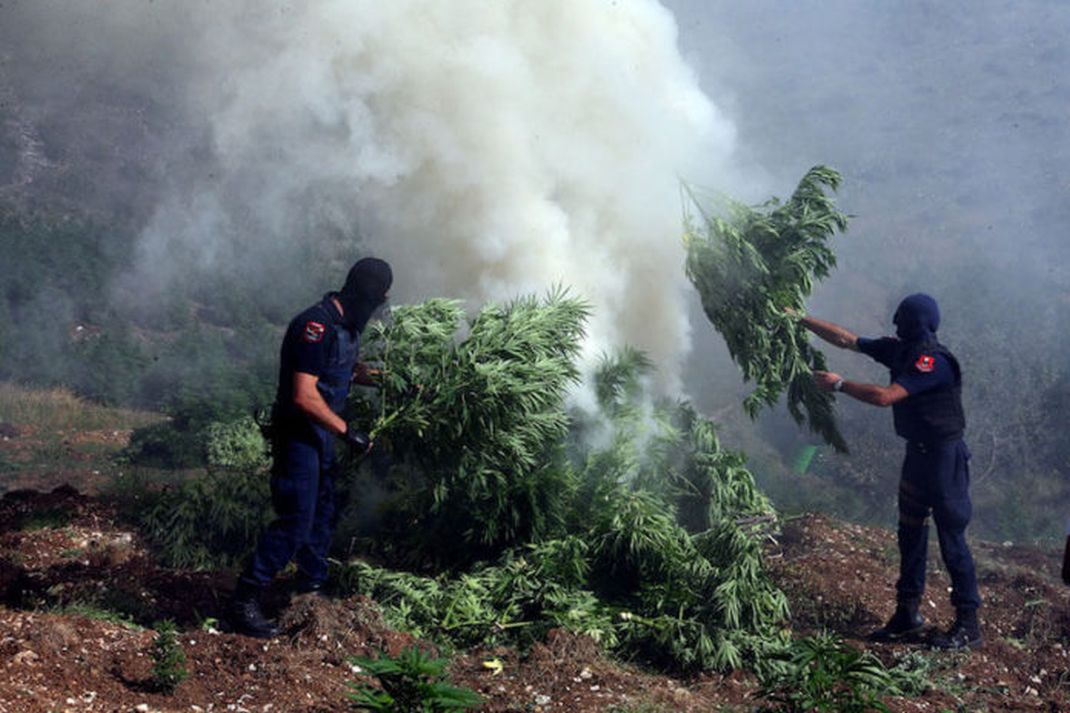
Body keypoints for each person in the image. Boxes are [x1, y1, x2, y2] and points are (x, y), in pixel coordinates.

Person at [797, 293, 982, 650]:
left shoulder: (933, 361)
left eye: (901, 319)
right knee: (910, 533)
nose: (895, 324)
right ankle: (907, 614)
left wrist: (839, 384)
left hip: (945, 460)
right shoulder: (901, 350)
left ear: (916, 322)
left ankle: (968, 625)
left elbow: (885, 397)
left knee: (952, 540)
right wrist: (800, 318)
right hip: (917, 455)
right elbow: (846, 339)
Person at [229, 257, 392, 639]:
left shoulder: (345, 327)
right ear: (365, 295)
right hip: (300, 435)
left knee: (322, 515)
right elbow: (304, 395)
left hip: (321, 437)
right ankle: (245, 600)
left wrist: (394, 380)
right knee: (296, 521)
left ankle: (309, 595)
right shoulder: (314, 326)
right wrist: (348, 431)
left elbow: (348, 369)